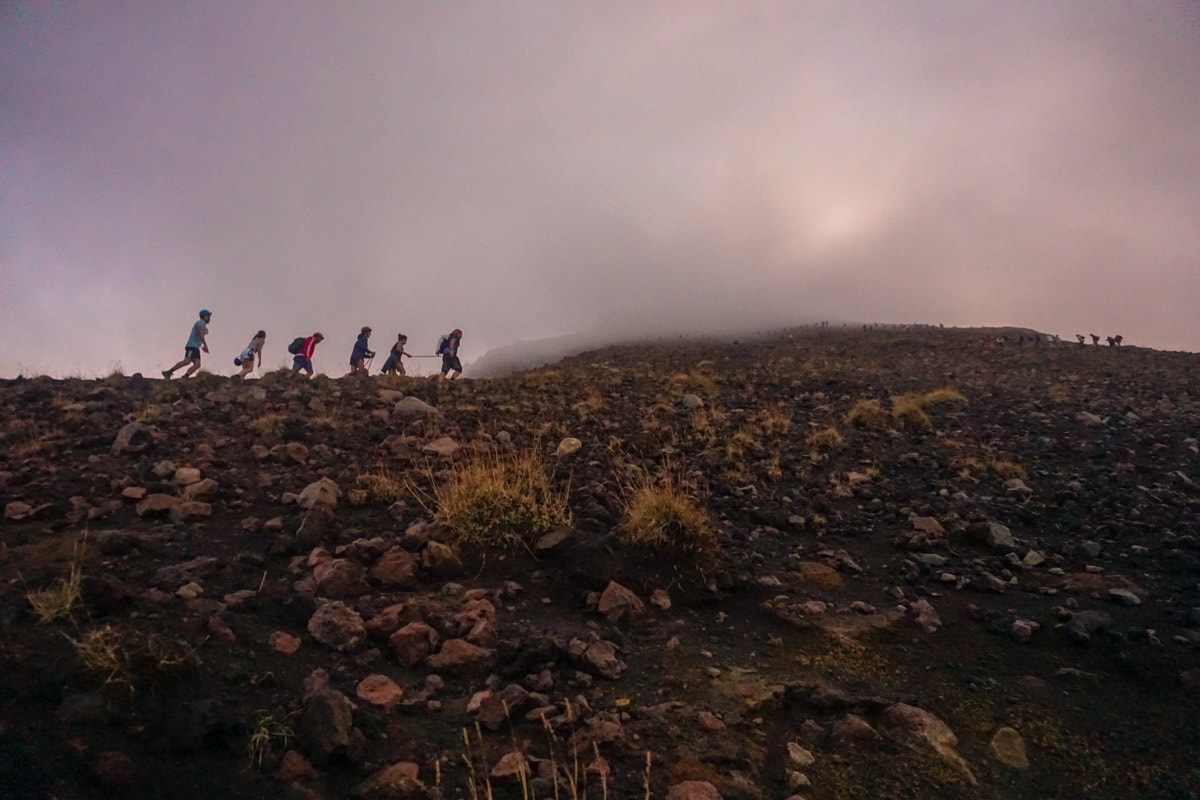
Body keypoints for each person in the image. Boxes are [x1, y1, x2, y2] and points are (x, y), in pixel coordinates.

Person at [163, 309, 211, 379]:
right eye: (208, 316)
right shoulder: (201, 323)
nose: (209, 318)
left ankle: (185, 376)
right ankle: (169, 372)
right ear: (204, 316)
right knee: (187, 361)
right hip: (192, 346)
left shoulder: (202, 324)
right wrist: (205, 345)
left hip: (195, 347)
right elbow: (200, 333)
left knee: (197, 364)